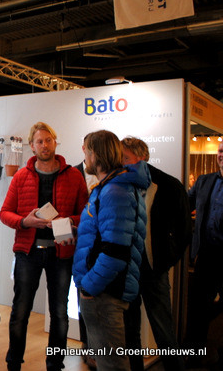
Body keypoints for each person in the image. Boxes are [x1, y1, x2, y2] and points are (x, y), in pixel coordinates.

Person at [0, 122, 88, 371]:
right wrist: (25, 221)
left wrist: (69, 221)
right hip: (28, 252)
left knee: (59, 312)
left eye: (48, 140)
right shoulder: (21, 176)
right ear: (32, 146)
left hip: (62, 253)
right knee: (20, 310)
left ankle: (55, 364)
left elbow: (86, 214)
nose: (45, 145)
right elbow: (5, 213)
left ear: (55, 142)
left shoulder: (73, 176)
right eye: (39, 141)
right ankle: (13, 363)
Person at [72, 130, 151, 371]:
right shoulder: (112, 187)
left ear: (96, 154)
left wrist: (89, 286)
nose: (84, 156)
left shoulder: (114, 191)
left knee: (111, 365)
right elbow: (110, 236)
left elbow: (116, 251)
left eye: (87, 150)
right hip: (104, 290)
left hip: (104, 293)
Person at [121, 136, 190, 371]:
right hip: (128, 270)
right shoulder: (120, 184)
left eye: (125, 158)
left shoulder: (169, 185)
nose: (121, 163)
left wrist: (166, 260)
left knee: (164, 332)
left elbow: (183, 231)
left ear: (141, 157)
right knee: (130, 332)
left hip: (154, 269)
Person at [184, 141, 223, 366]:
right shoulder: (204, 181)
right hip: (206, 255)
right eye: (220, 151)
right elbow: (184, 205)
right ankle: (193, 353)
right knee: (198, 307)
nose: (221, 155)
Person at [74, 134, 99, 371]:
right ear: (83, 148)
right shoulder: (72, 173)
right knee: (83, 300)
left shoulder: (111, 178)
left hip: (102, 248)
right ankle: (87, 346)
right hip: (79, 246)